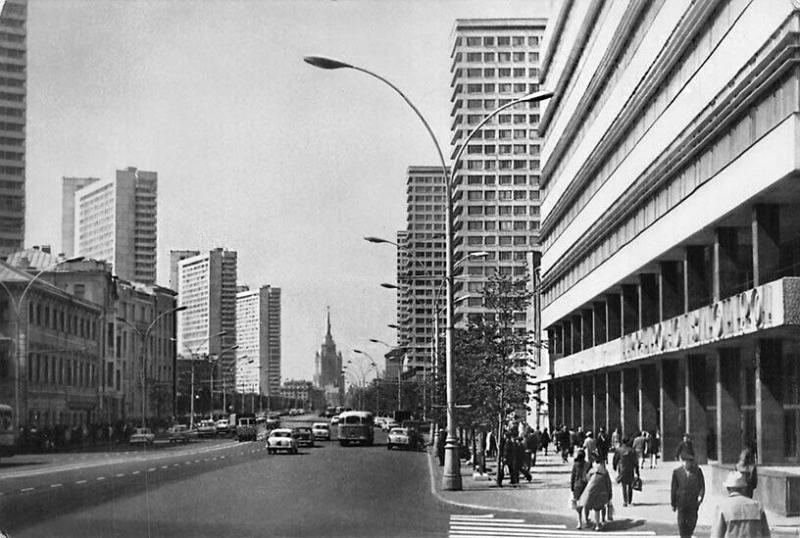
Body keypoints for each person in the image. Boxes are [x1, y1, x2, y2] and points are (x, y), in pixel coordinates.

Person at [710, 471, 770, 537]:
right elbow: (766, 535)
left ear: (728, 488)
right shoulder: (757, 507)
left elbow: (716, 535)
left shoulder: (722, 507)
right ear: (744, 488)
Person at [671, 452, 705, 538]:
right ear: (682, 462)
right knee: (682, 522)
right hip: (681, 501)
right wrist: (673, 503)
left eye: (689, 462)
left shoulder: (697, 471)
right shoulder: (677, 472)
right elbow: (674, 488)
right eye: (685, 461)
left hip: (693, 501)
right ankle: (683, 535)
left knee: (692, 522)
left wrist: (700, 496)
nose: (687, 464)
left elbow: (702, 485)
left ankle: (689, 534)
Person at [579, 451, 613, 531]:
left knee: (587, 504)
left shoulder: (591, 471)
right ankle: (601, 522)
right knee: (599, 507)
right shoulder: (604, 471)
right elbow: (608, 483)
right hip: (602, 492)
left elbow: (586, 479)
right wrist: (610, 493)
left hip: (591, 491)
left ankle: (587, 520)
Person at [613, 437, 639, 506]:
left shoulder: (619, 450)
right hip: (630, 469)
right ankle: (629, 501)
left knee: (623, 486)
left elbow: (615, 459)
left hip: (622, 469)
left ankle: (625, 501)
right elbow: (635, 461)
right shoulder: (632, 450)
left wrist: (615, 466)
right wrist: (637, 471)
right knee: (630, 485)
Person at [570, 450, 591, 529]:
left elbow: (572, 477)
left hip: (577, 486)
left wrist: (572, 486)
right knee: (586, 503)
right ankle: (586, 519)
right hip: (586, 485)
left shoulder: (575, 465)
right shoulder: (588, 464)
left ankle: (579, 522)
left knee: (578, 504)